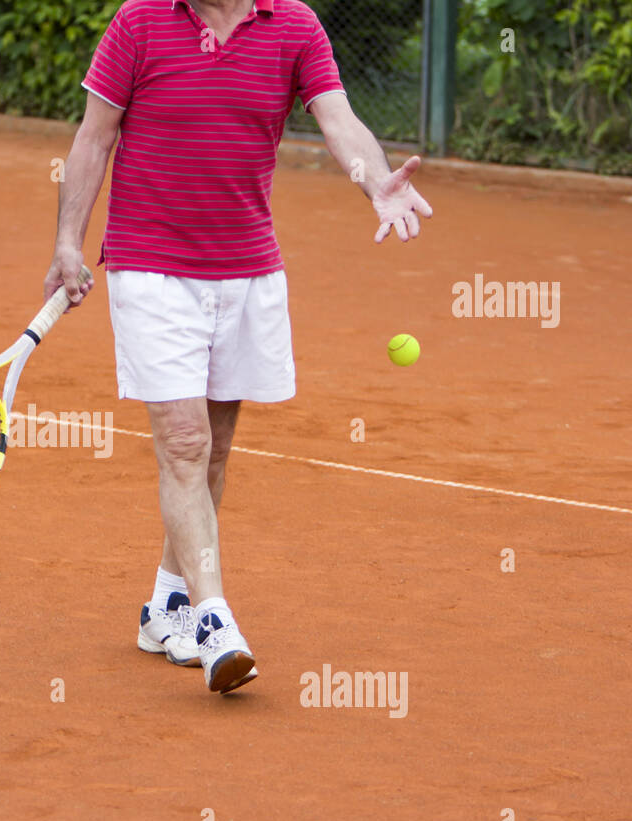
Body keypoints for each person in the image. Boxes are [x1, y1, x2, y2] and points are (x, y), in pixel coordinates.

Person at [44, 0, 433, 694]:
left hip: (246, 269)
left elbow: (339, 120)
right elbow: (94, 137)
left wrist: (375, 181)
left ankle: (166, 604)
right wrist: (68, 241)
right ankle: (214, 620)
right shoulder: (139, 22)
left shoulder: (294, 26)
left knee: (215, 449)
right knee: (186, 442)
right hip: (150, 265)